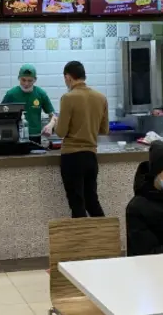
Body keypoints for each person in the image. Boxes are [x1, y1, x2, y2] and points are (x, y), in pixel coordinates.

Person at [54, 61, 109, 218]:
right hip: (91, 157)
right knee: (92, 202)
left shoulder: (68, 98)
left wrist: (55, 122)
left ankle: (81, 235)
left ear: (68, 77)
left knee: (77, 205)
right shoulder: (101, 98)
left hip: (72, 157)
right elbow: (104, 130)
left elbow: (61, 132)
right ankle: (105, 233)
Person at [1, 64, 57, 141]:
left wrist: (51, 125)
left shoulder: (41, 94)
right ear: (19, 78)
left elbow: (53, 115)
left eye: (30, 80)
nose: (26, 84)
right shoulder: (11, 94)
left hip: (35, 136)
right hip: (16, 136)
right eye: (23, 80)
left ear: (35, 80)